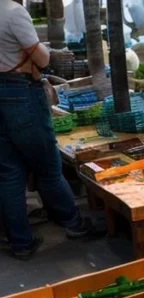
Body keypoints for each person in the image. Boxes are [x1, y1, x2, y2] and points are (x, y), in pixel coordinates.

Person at [0, 0, 102, 260]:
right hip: (21, 93)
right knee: (48, 167)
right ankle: (74, 224)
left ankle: (21, 243)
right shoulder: (12, 12)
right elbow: (43, 59)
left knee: (10, 172)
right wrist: (40, 50)